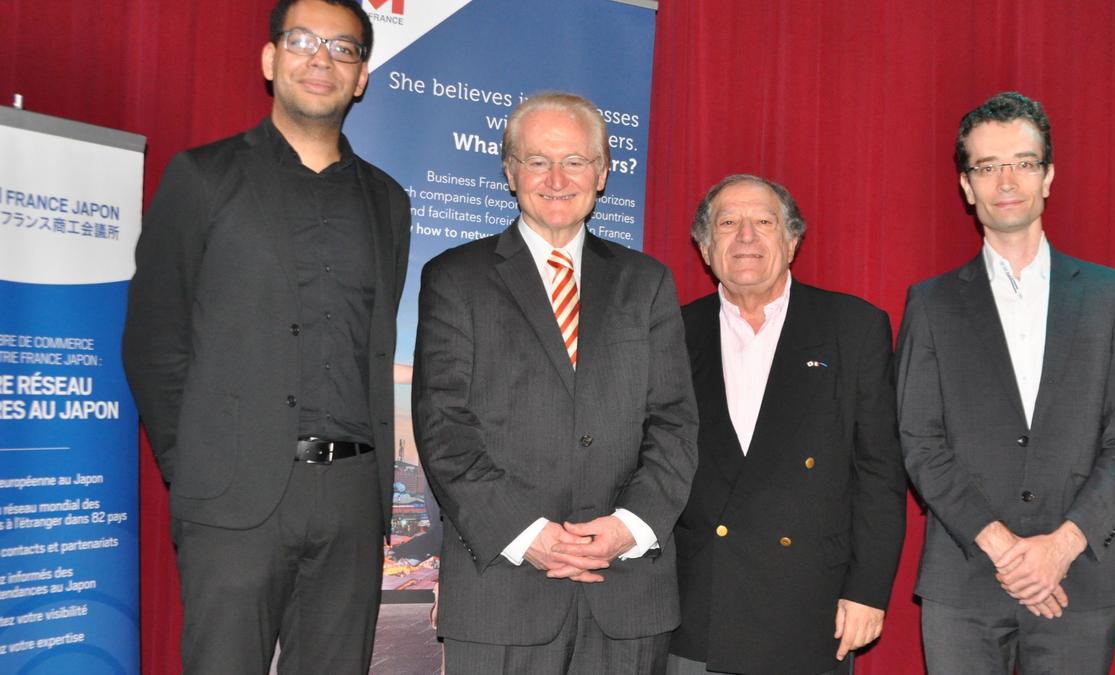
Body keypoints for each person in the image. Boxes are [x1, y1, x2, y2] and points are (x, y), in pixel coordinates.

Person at [122, 0, 411, 672]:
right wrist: (198, 466)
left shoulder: (388, 201)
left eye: (343, 48)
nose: (322, 59)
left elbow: (374, 342)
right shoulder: (203, 177)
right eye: (303, 40)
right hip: (232, 500)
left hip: (351, 499)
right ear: (270, 58)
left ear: (361, 76)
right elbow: (154, 340)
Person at [412, 91, 698, 674]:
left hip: (626, 594)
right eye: (537, 161)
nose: (557, 179)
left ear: (603, 173)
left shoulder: (647, 283)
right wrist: (526, 535)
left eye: (575, 161)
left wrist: (629, 528)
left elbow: (674, 423)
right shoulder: (455, 278)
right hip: (501, 592)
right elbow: (443, 428)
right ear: (510, 172)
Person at [896, 91, 1115, 674]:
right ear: (967, 185)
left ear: (1048, 176)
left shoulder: (1111, 296)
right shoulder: (931, 304)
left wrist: (1060, 547)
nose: (1006, 181)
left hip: (1080, 579)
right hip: (964, 581)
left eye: (1023, 163)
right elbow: (920, 443)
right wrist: (1004, 549)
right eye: (987, 167)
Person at [667, 175, 907, 675]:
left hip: (810, 606)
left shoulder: (853, 327)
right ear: (705, 249)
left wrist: (867, 590)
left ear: (792, 241)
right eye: (727, 224)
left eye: (764, 221)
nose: (746, 236)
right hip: (700, 604)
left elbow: (879, 474)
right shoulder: (670, 333)